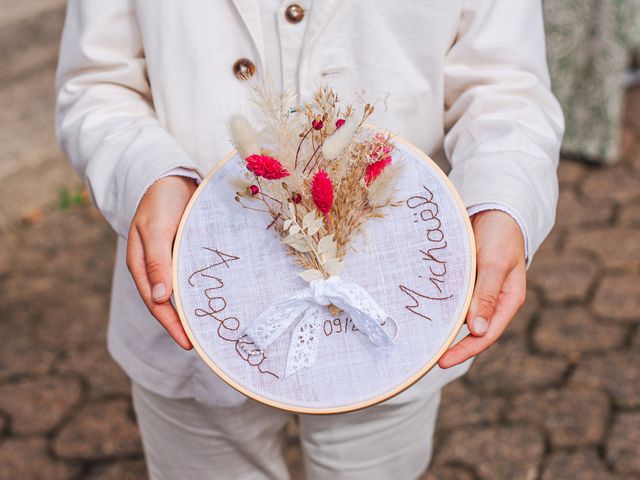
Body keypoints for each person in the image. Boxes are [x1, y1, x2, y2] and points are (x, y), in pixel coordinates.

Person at [54, 1, 563, 478]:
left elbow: (504, 88)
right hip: (192, 300)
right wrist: (149, 174)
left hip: (394, 316)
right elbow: (96, 80)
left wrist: (501, 198)